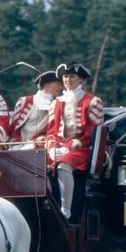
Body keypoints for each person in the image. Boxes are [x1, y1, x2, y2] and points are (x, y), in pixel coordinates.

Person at [44, 62, 105, 220]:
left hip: (83, 149)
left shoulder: (93, 101)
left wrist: (70, 146)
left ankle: (66, 210)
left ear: (81, 80)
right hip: (60, 147)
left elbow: (94, 132)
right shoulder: (56, 102)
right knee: (38, 163)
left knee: (64, 164)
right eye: (65, 76)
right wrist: (52, 147)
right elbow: (51, 131)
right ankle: (48, 206)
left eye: (72, 76)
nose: (68, 80)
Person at [8, 70, 62, 147]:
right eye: (58, 84)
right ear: (46, 85)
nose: (60, 88)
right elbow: (14, 128)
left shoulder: (58, 104)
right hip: (18, 145)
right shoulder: (24, 101)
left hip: (41, 146)